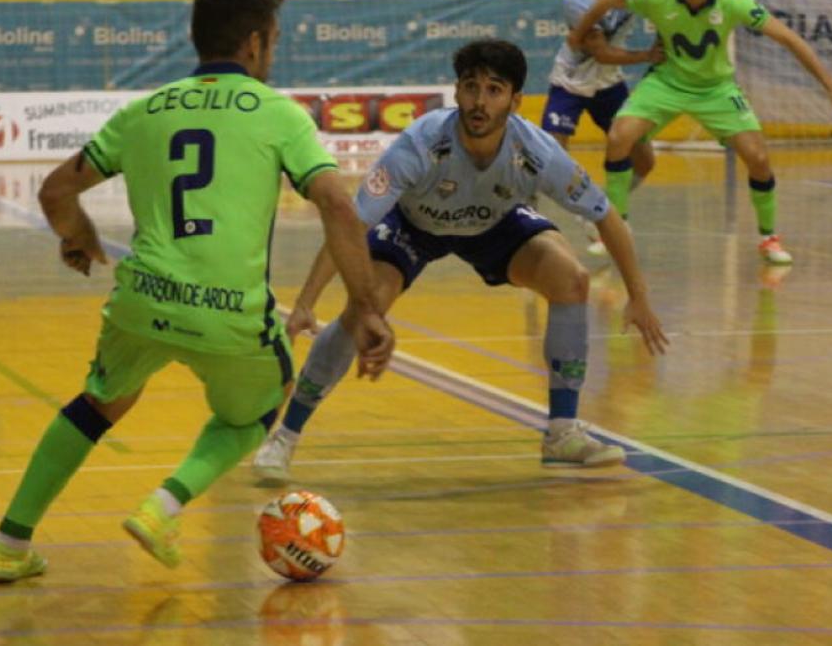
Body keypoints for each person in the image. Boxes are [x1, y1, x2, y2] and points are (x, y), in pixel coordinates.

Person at [0, 0, 395, 583]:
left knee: (98, 405)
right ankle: (162, 507)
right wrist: (367, 306)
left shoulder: (143, 111)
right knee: (262, 406)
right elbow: (336, 205)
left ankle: (6, 544)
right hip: (229, 313)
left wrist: (79, 238)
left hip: (142, 301)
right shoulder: (279, 114)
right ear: (254, 44)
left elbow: (56, 191)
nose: (272, 53)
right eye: (274, 41)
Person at [251, 38, 670, 484]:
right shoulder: (421, 142)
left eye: (494, 90)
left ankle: (562, 433)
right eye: (471, 87)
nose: (480, 101)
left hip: (493, 223)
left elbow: (605, 215)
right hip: (414, 225)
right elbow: (349, 225)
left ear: (515, 100)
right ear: (457, 91)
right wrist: (306, 303)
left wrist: (638, 296)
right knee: (363, 308)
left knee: (572, 279)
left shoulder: (536, 150)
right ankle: (285, 437)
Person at [568, 0, 832, 266]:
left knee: (758, 158)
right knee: (618, 137)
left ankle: (769, 238)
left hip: (717, 89)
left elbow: (788, 38)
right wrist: (579, 34)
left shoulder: (733, 0)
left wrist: (829, 83)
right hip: (666, 83)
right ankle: (616, 228)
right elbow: (606, 0)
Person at [543, 0, 664, 254]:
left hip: (609, 83)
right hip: (571, 79)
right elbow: (601, 52)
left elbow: (663, 7)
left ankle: (604, 209)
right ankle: (580, 212)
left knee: (645, 161)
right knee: (552, 156)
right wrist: (647, 55)